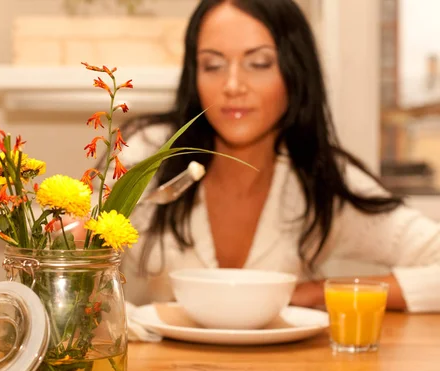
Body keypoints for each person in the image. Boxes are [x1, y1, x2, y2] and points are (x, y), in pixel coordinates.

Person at [98, 0, 440, 312]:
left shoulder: (318, 176)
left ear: (295, 72)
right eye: (213, 65)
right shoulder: (148, 155)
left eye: (259, 63)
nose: (232, 85)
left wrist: (320, 293)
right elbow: (66, 256)